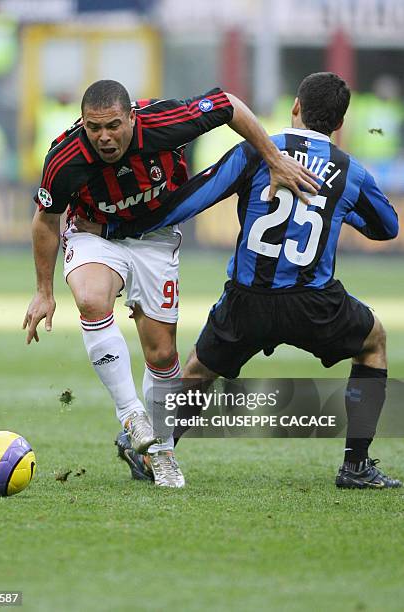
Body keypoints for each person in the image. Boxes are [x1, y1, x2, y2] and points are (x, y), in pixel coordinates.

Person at [80, 73, 399, 489]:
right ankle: (356, 465)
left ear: (295, 108)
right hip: (314, 302)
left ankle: (154, 446)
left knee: (198, 370)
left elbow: (193, 199)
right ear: (339, 124)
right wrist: (336, 208)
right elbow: (387, 227)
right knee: (373, 342)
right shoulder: (349, 171)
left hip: (247, 301)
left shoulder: (254, 153)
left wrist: (116, 229)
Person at [23, 79, 318, 488]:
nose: (104, 137)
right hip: (94, 234)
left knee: (161, 355)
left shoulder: (164, 121)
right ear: (83, 123)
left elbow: (228, 104)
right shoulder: (64, 157)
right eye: (94, 128)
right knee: (91, 301)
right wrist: (43, 291)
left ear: (131, 117)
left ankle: (161, 451)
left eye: (113, 125)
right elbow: (46, 219)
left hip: (156, 239)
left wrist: (273, 158)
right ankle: (131, 414)